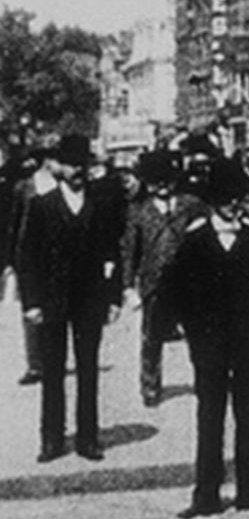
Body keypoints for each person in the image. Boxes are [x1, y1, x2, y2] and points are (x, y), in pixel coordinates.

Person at [168, 158, 249, 517]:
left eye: (238, 197)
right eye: (226, 198)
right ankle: (206, 495)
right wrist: (195, 330)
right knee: (210, 418)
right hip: (210, 347)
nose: (235, 204)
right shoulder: (196, 242)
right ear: (213, 201)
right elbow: (175, 292)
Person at [17, 134, 124, 462]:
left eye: (82, 164)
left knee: (88, 369)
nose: (77, 170)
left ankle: (88, 438)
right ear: (58, 166)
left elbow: (113, 252)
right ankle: (51, 439)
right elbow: (27, 257)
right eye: (70, 164)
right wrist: (31, 303)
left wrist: (114, 297)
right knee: (52, 371)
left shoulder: (100, 206)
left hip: (90, 301)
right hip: (52, 300)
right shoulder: (42, 206)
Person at [120, 150, 206, 407]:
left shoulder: (191, 205)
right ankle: (150, 385)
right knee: (151, 337)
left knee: (198, 333)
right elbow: (130, 251)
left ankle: (205, 380)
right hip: (154, 282)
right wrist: (128, 286)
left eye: (167, 180)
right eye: (156, 181)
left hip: (190, 280)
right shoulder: (138, 211)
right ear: (147, 182)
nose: (162, 186)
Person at [6, 144, 57, 387]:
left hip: (56, 254)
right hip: (28, 254)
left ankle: (53, 359)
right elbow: (14, 224)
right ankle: (35, 364)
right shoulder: (24, 187)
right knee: (31, 307)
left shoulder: (64, 187)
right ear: (46, 161)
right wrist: (9, 260)